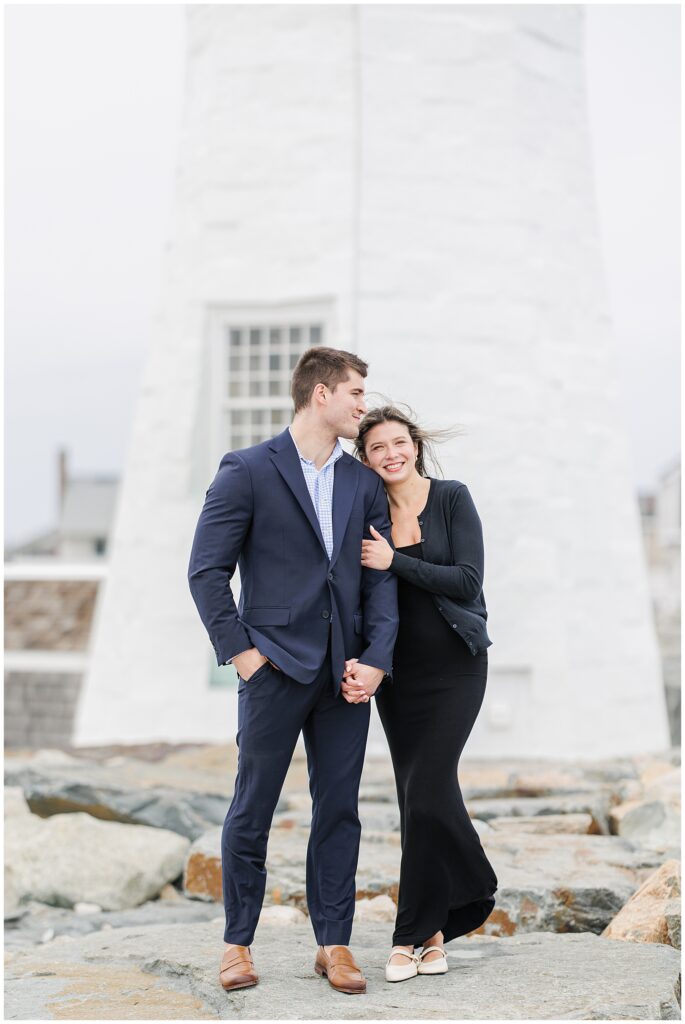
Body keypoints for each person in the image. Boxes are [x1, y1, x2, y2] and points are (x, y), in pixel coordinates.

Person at [188, 348, 398, 995]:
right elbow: (206, 571)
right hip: (272, 669)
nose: (363, 405)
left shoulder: (364, 483)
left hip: (344, 677)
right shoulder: (247, 470)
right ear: (321, 395)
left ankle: (333, 944)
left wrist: (376, 662)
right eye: (356, 393)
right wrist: (244, 656)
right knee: (251, 808)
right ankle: (236, 945)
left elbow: (378, 586)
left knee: (338, 811)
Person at [342, 404, 498, 983]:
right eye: (378, 447)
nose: (391, 454)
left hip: (458, 668)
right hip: (398, 679)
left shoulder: (452, 497)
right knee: (416, 799)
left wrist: (394, 561)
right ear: (365, 458)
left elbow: (468, 580)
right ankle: (432, 934)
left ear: (415, 445)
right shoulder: (368, 511)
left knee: (428, 787)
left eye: (399, 443)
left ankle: (417, 926)